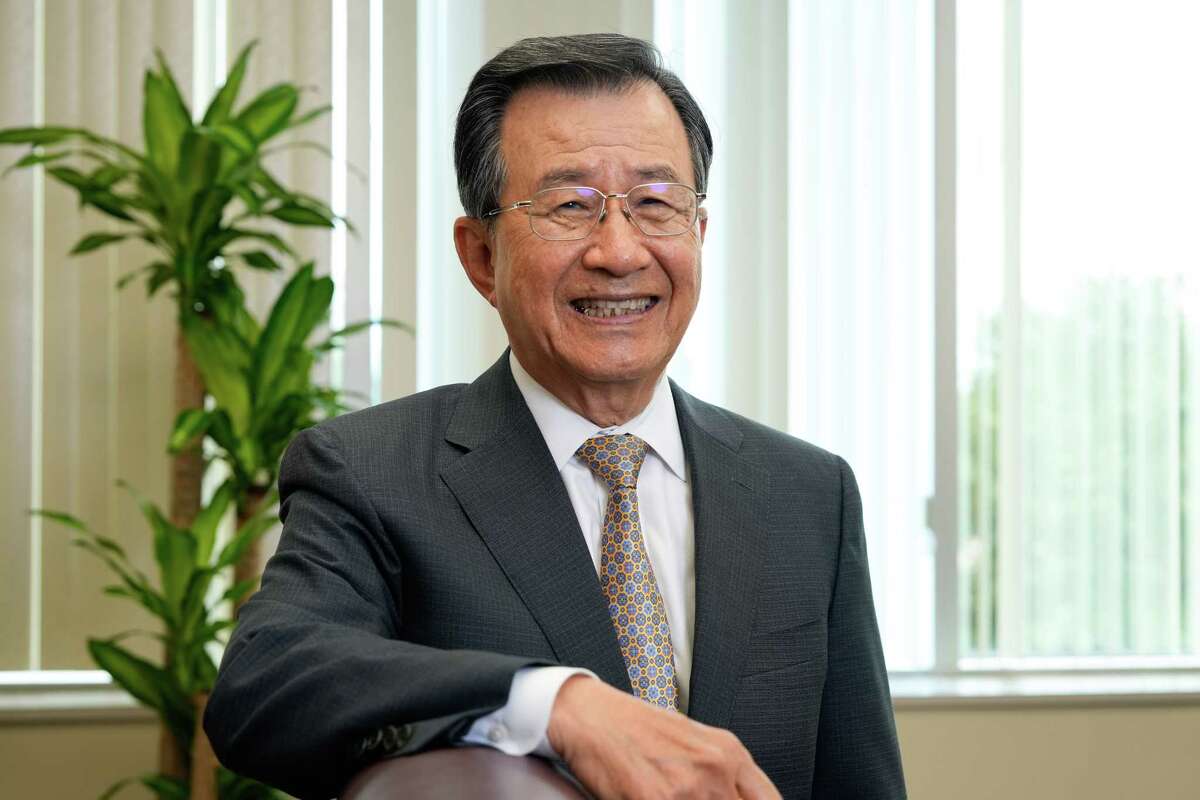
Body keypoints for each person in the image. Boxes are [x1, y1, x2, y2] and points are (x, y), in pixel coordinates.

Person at [204, 32, 905, 800]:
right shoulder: (372, 472)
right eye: (570, 205)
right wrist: (555, 704)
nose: (619, 250)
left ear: (698, 234)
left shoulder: (808, 493)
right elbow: (266, 682)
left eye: (656, 203)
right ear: (480, 257)